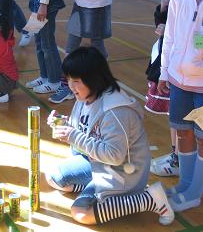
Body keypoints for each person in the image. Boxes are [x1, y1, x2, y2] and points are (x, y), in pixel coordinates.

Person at [45, 47, 174, 226]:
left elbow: (114, 155)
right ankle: (99, 190)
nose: (70, 86)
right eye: (68, 79)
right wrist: (64, 124)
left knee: (81, 213)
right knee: (54, 176)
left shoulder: (116, 112)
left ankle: (150, 198)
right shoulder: (87, 96)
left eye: (75, 80)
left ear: (93, 79)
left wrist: (73, 136)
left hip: (123, 172)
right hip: (98, 163)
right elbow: (85, 128)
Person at [158, 0, 203, 212]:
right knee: (183, 132)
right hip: (178, 80)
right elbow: (171, 35)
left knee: (201, 136)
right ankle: (185, 184)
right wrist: (165, 71)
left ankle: (195, 192)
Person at [49, 0, 115, 104]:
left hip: (96, 3)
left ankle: (104, 82)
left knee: (97, 44)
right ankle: (67, 84)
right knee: (71, 42)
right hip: (80, 0)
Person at [146, 0, 182, 177]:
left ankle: (180, 159)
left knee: (181, 119)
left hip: (182, 71)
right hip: (166, 64)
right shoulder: (173, 2)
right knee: (173, 116)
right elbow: (162, 30)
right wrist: (162, 11)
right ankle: (176, 155)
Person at [23, 0, 66, 94]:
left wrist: (43, 4)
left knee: (47, 42)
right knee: (39, 41)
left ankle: (54, 81)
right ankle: (45, 76)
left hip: (45, 1)